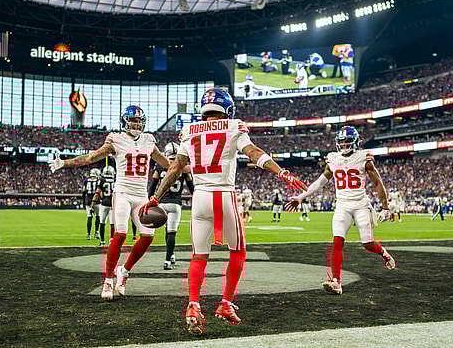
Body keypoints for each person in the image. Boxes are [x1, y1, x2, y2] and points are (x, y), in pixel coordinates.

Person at [139, 88, 305, 334]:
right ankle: (225, 302)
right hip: (224, 195)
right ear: (226, 108)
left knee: (198, 257)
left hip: (200, 197)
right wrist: (280, 172)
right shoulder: (233, 126)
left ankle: (194, 305)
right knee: (237, 251)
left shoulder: (189, 131)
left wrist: (155, 197)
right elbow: (254, 153)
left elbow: (174, 168)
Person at [49, 105, 173, 301]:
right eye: (133, 121)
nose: (136, 124)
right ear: (124, 122)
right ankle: (108, 280)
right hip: (122, 192)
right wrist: (65, 163)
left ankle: (124, 271)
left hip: (141, 196)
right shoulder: (116, 139)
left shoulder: (149, 140)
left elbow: (167, 164)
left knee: (148, 236)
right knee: (120, 234)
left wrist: (192, 168)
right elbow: (91, 157)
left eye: (139, 121)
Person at [286, 126, 395, 295]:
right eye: (341, 142)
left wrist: (386, 207)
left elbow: (378, 183)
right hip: (342, 205)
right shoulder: (333, 158)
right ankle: (336, 281)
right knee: (337, 241)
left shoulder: (363, 157)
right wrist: (301, 197)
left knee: (367, 244)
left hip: (360, 204)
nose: (344, 145)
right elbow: (320, 182)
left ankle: (383, 252)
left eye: (347, 141)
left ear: (355, 142)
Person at [148, 142, 194, 270]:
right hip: (175, 204)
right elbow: (191, 188)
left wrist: (150, 201)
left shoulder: (159, 166)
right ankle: (168, 259)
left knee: (166, 230)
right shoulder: (183, 167)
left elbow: (152, 187)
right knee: (172, 232)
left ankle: (171, 253)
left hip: (161, 203)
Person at [93, 165, 116, 246]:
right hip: (113, 204)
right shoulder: (115, 180)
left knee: (102, 222)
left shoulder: (102, 180)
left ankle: (102, 241)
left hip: (104, 203)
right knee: (112, 224)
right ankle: (111, 240)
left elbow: (98, 192)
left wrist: (93, 202)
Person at [83, 168, 101, 240]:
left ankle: (88, 234)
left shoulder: (86, 181)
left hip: (88, 201)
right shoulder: (98, 181)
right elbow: (99, 191)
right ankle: (96, 232)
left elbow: (84, 191)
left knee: (89, 217)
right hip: (96, 201)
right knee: (98, 216)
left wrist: (84, 201)